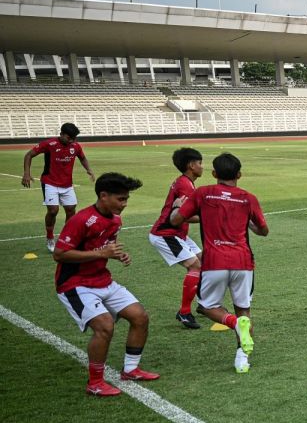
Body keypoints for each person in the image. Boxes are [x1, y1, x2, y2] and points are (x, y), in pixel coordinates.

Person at [53, 172, 159, 396]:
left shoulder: (115, 219)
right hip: (75, 284)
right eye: (121, 199)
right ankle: (95, 382)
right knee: (105, 326)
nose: (125, 204)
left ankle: (131, 369)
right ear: (103, 196)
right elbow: (60, 254)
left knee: (140, 317)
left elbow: (109, 244)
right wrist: (101, 252)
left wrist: (117, 254)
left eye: (126, 199)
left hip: (103, 279)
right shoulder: (81, 220)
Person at [169, 153, 267, 373]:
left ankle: (232, 323)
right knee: (244, 310)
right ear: (239, 174)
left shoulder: (203, 193)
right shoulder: (248, 197)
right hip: (243, 262)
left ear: (214, 173)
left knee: (206, 307)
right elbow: (264, 231)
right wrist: (248, 224)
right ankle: (242, 359)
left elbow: (175, 221)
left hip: (215, 262)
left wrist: (177, 206)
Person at [148, 148, 204, 329]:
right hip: (165, 234)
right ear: (191, 165)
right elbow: (182, 216)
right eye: (200, 163)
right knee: (195, 266)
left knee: (205, 262)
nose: (202, 167)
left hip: (179, 234)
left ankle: (205, 303)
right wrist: (210, 218)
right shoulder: (186, 185)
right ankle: (185, 312)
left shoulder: (186, 182)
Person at [22, 122, 96, 252]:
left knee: (71, 211)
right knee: (53, 211)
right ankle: (50, 237)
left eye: (74, 138)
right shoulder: (49, 144)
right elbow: (29, 155)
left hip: (67, 184)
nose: (72, 140)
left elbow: (82, 158)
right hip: (50, 182)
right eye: (69, 137)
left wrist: (89, 169)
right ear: (61, 134)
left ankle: (66, 238)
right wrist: (27, 174)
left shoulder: (75, 146)